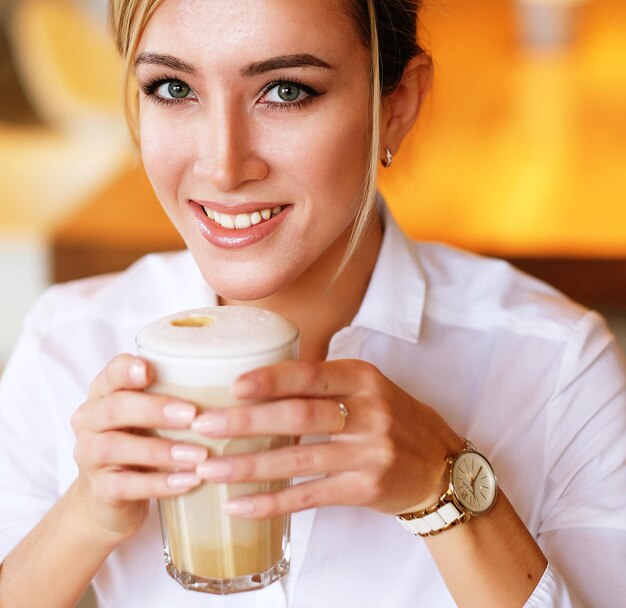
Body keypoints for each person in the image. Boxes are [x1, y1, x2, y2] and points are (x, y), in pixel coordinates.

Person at [0, 0, 624, 606]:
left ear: (397, 103)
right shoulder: (68, 341)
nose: (223, 166)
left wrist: (446, 490)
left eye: (286, 91)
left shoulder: (557, 365)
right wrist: (85, 516)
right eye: (171, 88)